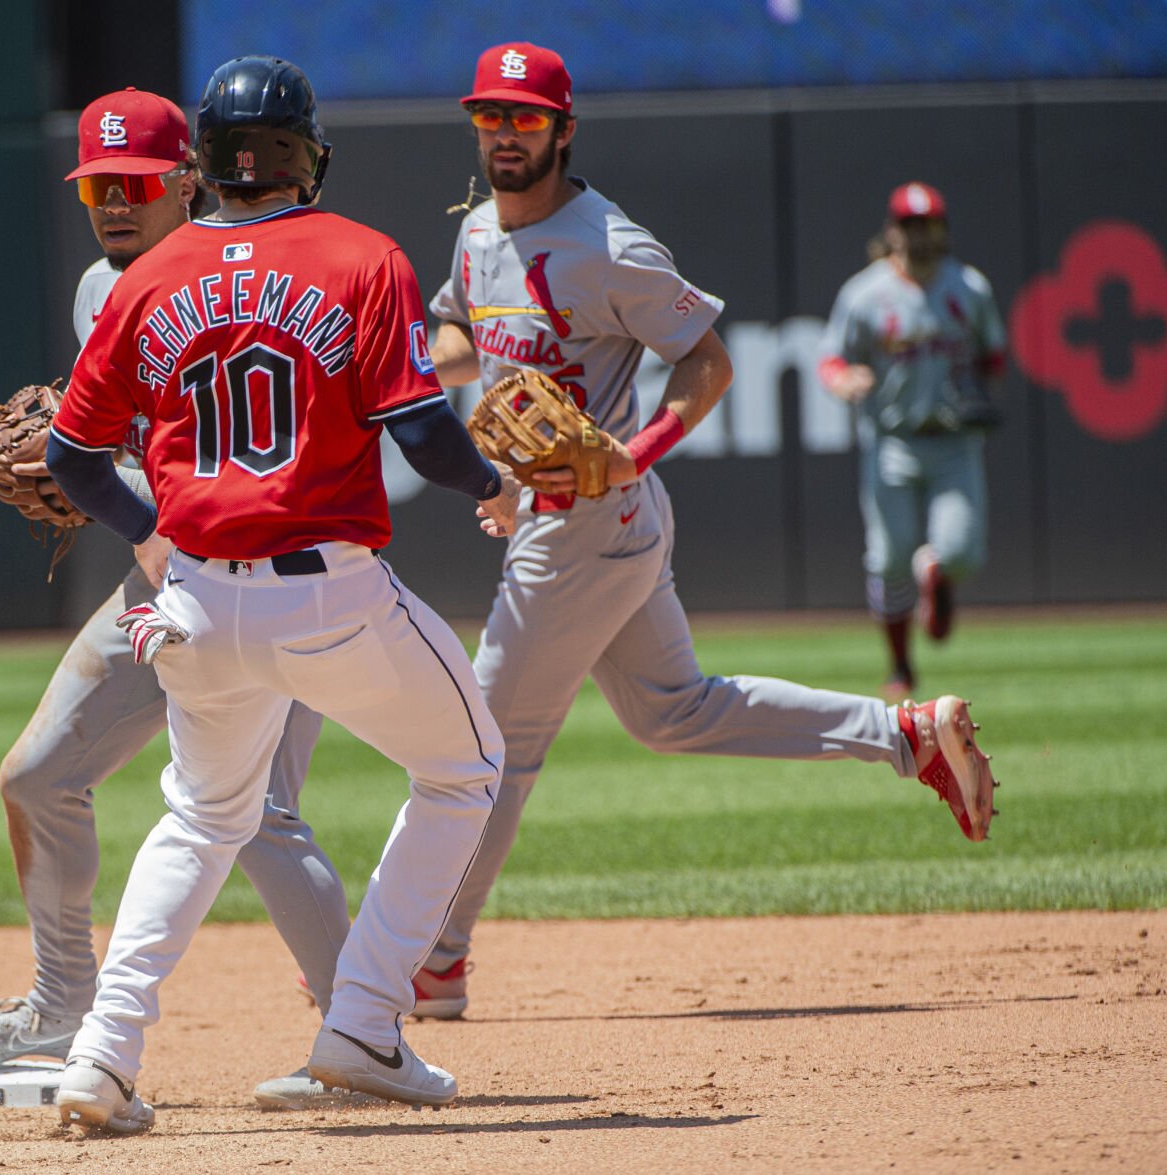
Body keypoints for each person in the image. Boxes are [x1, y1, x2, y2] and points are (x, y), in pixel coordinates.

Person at [409, 42, 1000, 1019]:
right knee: (673, 711)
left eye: (523, 117)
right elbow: (462, 333)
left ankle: (430, 952)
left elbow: (709, 364)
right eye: (489, 116)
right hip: (577, 523)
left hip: (586, 524)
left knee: (486, 742)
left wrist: (631, 454)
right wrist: (402, 363)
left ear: (561, 128)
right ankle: (903, 735)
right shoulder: (477, 233)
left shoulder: (607, 243)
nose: (504, 133)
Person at [42, 55, 520, 1134]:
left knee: (200, 814)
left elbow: (72, 458)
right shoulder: (362, 255)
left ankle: (100, 1057)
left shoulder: (149, 276)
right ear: (309, 156)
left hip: (195, 603)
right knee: (466, 767)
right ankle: (360, 1022)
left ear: (202, 167)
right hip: (327, 596)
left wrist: (149, 529)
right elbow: (424, 431)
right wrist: (498, 484)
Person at [0, 86, 353, 1111]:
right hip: (164, 574)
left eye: (136, 184)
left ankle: (362, 1024)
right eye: (96, 187)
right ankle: (62, 999)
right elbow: (129, 438)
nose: (114, 202)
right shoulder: (95, 289)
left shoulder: (248, 268)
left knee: (260, 814)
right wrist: (97, 475)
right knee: (36, 774)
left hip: (286, 573)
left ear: (189, 182)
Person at [819, 182, 1007, 699]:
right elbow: (832, 356)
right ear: (891, 231)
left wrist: (982, 386)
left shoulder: (969, 288)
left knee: (963, 553)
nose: (919, 236)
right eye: (909, 225)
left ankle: (937, 574)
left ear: (943, 232)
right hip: (892, 440)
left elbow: (995, 353)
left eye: (928, 226)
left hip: (953, 439)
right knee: (889, 556)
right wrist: (843, 379)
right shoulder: (865, 293)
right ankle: (901, 666)